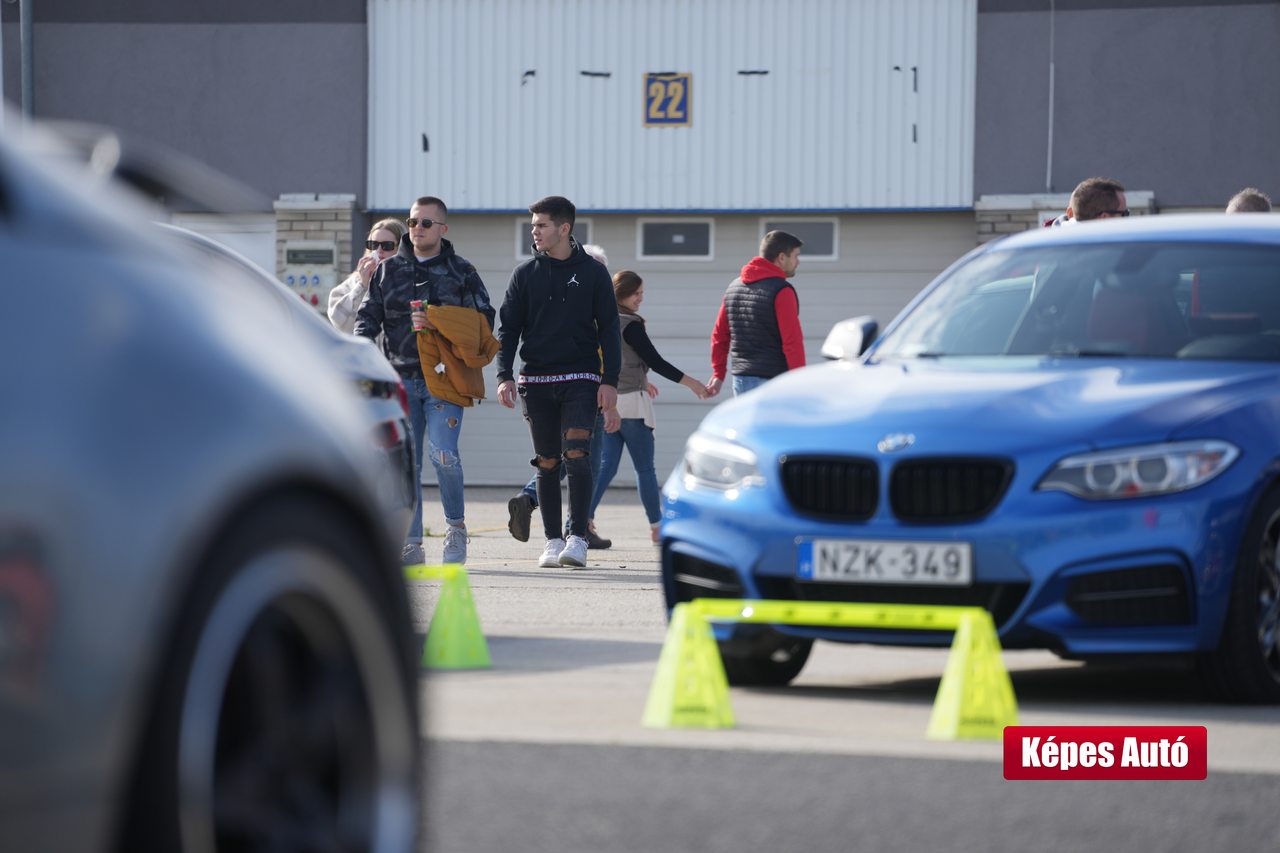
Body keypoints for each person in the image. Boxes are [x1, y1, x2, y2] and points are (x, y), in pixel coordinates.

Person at [354, 196, 494, 566]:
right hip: (399, 379)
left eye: (426, 223)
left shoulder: (462, 271)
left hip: (444, 380)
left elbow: (484, 322)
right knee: (405, 464)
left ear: (442, 228)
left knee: (444, 455)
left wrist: (439, 320)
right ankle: (411, 542)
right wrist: (361, 357)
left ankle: (456, 528)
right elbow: (367, 318)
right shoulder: (388, 271)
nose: (417, 228)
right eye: (413, 221)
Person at [496, 196, 621, 569]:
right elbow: (508, 330)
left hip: (582, 377)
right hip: (535, 380)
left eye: (541, 225)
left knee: (577, 454)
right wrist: (503, 375)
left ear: (564, 228)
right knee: (548, 462)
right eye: (533, 224)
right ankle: (552, 541)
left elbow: (610, 330)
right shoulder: (524, 274)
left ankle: (577, 538)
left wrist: (610, 380)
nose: (534, 231)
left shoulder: (594, 273)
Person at [590, 270, 709, 543]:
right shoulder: (631, 325)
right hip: (633, 404)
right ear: (622, 294)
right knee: (644, 469)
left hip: (609, 403)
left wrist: (643, 378)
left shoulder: (603, 321)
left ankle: (583, 519)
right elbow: (656, 361)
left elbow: (615, 360)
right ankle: (657, 526)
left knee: (605, 467)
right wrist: (692, 383)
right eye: (636, 293)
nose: (641, 298)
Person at [706, 230, 805, 398]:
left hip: (740, 381)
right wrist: (800, 380)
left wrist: (718, 373)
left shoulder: (733, 287)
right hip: (771, 383)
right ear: (782, 257)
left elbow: (719, 336)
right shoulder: (782, 291)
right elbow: (792, 342)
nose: (798, 262)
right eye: (796, 256)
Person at [327, 218, 407, 334]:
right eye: (373, 245)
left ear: (400, 248)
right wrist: (363, 286)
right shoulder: (354, 283)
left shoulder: (411, 281)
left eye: (387, 245)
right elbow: (339, 321)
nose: (379, 251)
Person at [1047, 176, 1129, 226]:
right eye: (1125, 214)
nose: (1127, 220)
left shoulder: (1050, 243)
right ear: (1104, 218)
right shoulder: (1116, 247)